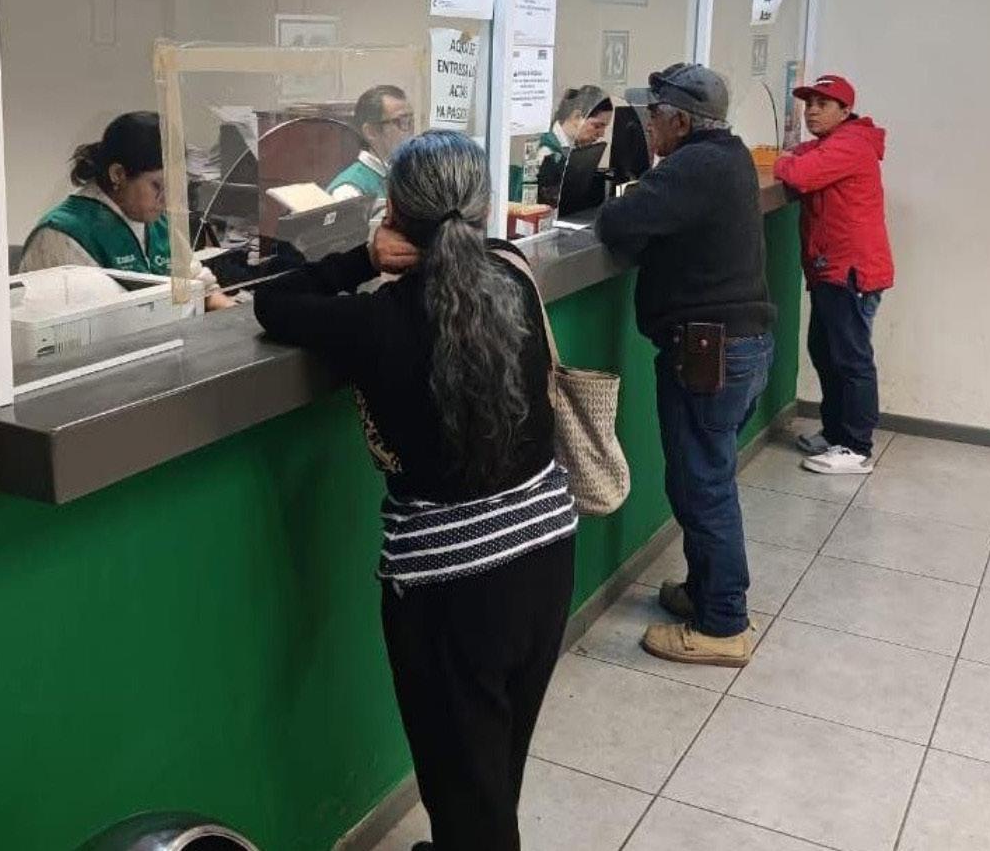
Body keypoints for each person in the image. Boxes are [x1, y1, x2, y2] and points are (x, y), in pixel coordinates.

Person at [253, 130, 575, 851]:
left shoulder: (374, 322)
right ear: (480, 208)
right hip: (547, 548)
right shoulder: (515, 273)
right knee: (495, 761)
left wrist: (361, 259)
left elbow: (273, 302)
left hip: (450, 583)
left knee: (463, 784)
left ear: (393, 211)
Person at [597, 63, 775, 669]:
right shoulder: (728, 157)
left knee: (703, 486)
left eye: (654, 114)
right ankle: (706, 593)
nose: (648, 125)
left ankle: (724, 624)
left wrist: (639, 202)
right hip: (738, 346)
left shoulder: (693, 167)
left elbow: (617, 221)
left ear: (680, 121)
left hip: (709, 351)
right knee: (703, 480)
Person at [773, 74, 893, 474]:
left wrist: (782, 161)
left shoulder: (850, 144)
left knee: (851, 359)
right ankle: (837, 432)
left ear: (845, 111)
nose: (811, 111)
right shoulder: (835, 141)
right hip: (831, 268)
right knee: (825, 351)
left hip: (850, 269)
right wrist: (792, 155)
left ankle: (856, 447)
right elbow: (804, 154)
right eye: (808, 104)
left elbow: (799, 173)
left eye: (822, 105)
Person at [19, 111, 234, 310]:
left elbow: (203, 290)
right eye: (157, 186)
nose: (167, 200)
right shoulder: (64, 235)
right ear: (118, 175)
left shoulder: (156, 222)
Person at [327, 84, 414, 203]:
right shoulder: (348, 191)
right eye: (402, 122)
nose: (410, 131)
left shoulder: (403, 177)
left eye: (410, 122)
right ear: (371, 132)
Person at [536, 85, 612, 203]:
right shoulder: (546, 154)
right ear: (576, 117)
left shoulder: (572, 147)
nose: (601, 134)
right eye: (597, 126)